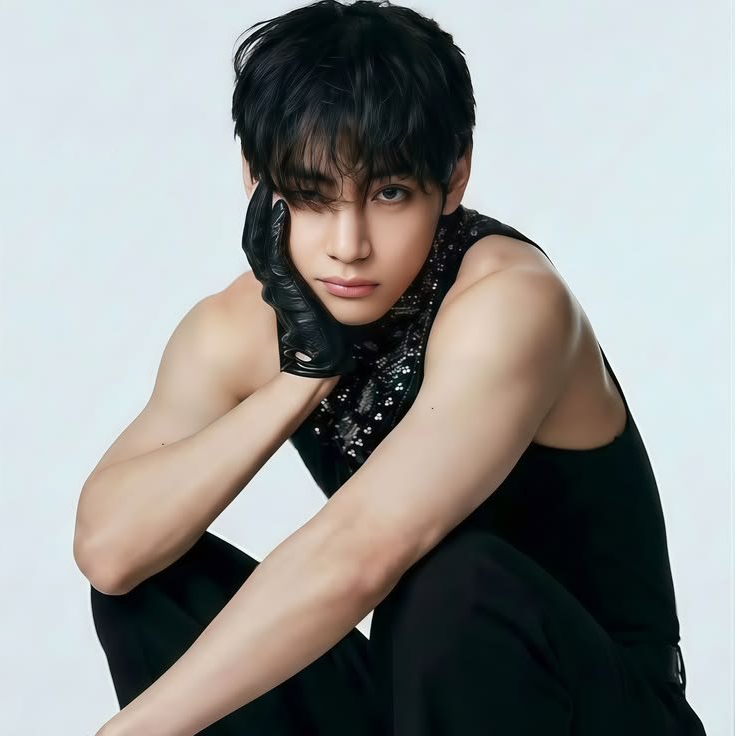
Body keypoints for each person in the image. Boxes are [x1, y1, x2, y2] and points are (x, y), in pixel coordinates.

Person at [75, 1, 708, 734]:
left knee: (450, 581)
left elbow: (365, 551)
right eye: (312, 196)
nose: (349, 246)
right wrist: (301, 376)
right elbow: (111, 550)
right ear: (257, 182)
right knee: (155, 574)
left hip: (596, 709)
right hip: (423, 704)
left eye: (390, 194)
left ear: (455, 176)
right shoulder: (239, 324)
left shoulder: (510, 301)